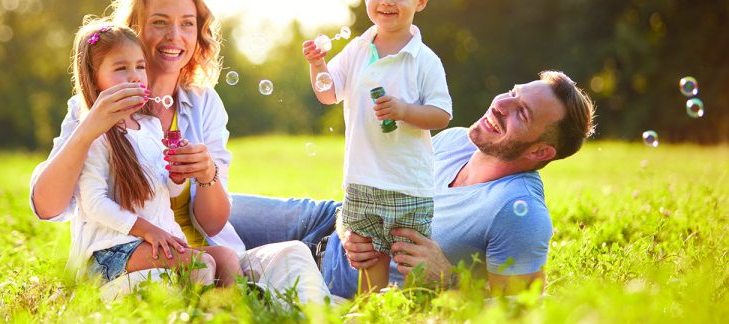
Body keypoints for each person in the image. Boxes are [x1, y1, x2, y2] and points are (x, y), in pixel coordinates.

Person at [30, 0, 329, 302]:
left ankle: (306, 311)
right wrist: (88, 129)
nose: (175, 36)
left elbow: (213, 225)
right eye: (160, 22)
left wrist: (206, 175)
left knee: (294, 254)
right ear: (134, 29)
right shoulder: (92, 107)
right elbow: (47, 207)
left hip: (203, 253)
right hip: (132, 260)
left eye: (188, 24)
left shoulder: (203, 103)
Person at [229, 70, 595, 297]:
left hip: (336, 276)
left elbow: (520, 312)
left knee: (214, 265)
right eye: (513, 93)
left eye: (522, 112)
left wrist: (449, 279)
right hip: (325, 220)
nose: (501, 104)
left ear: (541, 151)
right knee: (201, 206)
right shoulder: (455, 140)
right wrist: (347, 223)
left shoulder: (520, 213)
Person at [301, 0, 452, 292]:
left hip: (407, 183)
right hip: (362, 179)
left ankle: (420, 310)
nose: (387, 1)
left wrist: (404, 111)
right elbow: (327, 92)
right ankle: (374, 310)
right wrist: (317, 64)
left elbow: (442, 114)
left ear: (420, 1)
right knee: (368, 256)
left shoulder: (424, 60)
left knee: (411, 257)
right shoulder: (357, 49)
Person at [66, 20, 241, 286]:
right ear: (94, 77)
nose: (135, 76)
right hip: (111, 249)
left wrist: (177, 174)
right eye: (121, 68)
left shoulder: (149, 126)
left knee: (226, 257)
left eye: (140, 66)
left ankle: (228, 311)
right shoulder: (93, 133)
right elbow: (94, 203)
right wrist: (148, 230)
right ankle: (201, 311)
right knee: (201, 263)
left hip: (151, 241)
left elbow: (166, 192)